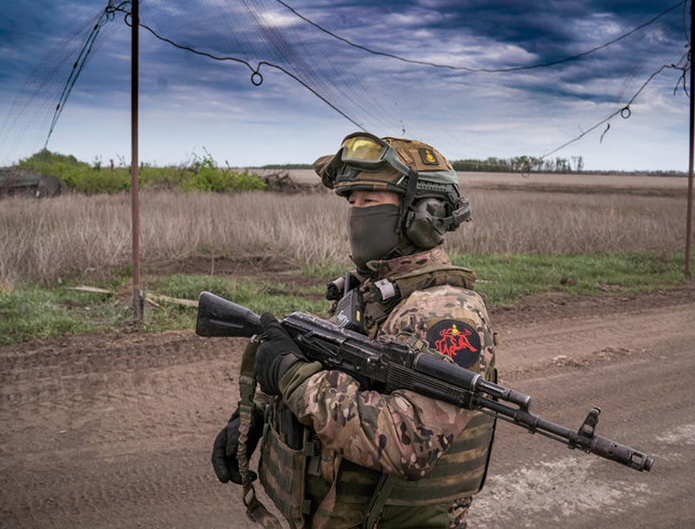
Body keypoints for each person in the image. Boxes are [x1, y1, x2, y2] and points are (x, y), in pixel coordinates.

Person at [212, 132, 497, 529]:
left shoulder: (449, 314)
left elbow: (407, 443)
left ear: (423, 213)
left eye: (371, 201)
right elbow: (333, 370)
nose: (357, 213)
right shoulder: (375, 290)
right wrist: (259, 411)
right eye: (353, 201)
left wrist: (293, 378)